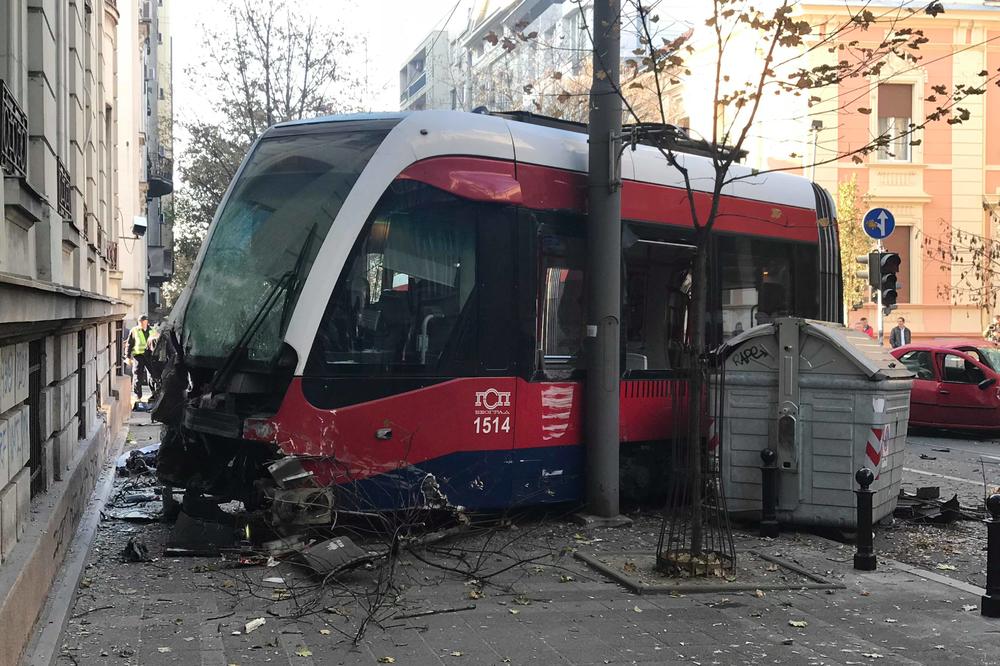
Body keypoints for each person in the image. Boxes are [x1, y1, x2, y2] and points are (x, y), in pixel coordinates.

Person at [126, 315, 153, 400]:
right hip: (138, 356)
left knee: (152, 375)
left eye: (143, 321)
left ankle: (154, 394)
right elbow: (129, 344)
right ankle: (137, 395)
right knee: (137, 375)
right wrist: (127, 356)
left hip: (149, 356)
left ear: (146, 322)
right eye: (140, 321)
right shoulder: (134, 330)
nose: (141, 323)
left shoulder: (152, 331)